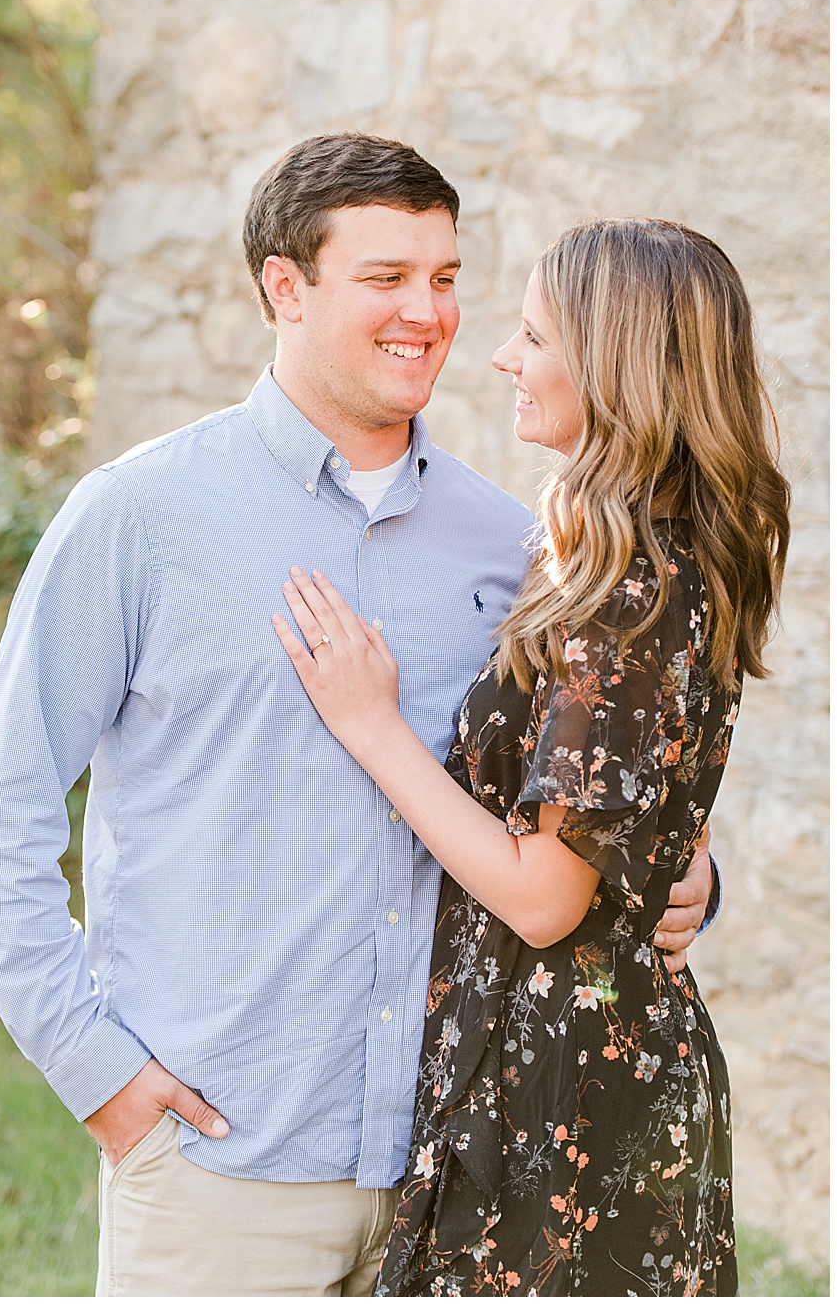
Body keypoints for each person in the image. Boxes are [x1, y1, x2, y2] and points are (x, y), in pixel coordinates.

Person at [0, 134, 716, 1296]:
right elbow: (2, 812)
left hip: (460, 1173)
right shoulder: (137, 517)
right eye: (386, 279)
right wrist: (97, 1073)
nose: (428, 313)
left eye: (446, 279)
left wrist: (692, 878)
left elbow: (596, 767)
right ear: (284, 287)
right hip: (224, 1167)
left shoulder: (513, 541)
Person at [276, 217, 786, 1294]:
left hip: (573, 1105)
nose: (503, 357)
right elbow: (624, 808)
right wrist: (681, 865)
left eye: (532, 337)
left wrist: (370, 724)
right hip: (550, 1073)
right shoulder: (625, 556)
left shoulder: (632, 589)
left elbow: (547, 898)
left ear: (613, 368)